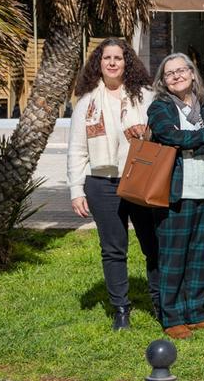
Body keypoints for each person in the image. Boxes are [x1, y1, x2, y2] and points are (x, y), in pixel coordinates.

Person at [68, 38, 160, 330]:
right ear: (98, 62)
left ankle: (161, 304)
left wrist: (146, 131)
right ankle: (121, 309)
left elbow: (161, 133)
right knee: (113, 249)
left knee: (152, 244)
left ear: (126, 62)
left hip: (139, 177)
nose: (111, 62)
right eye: (106, 57)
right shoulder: (86, 102)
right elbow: (76, 149)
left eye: (117, 58)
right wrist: (75, 190)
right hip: (101, 182)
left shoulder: (145, 96)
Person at [147, 54, 204, 339]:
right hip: (175, 192)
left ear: (193, 74)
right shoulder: (160, 107)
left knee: (200, 255)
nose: (176, 76)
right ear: (163, 81)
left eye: (181, 70)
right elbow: (170, 137)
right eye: (169, 73)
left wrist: (193, 145)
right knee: (173, 257)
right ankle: (171, 316)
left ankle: (196, 311)